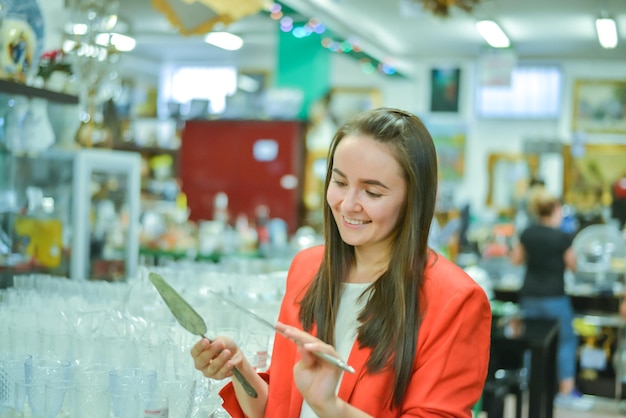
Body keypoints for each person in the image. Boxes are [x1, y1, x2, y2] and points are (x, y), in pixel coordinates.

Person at [191, 108, 492, 417]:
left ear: (412, 199)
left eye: (372, 192)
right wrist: (237, 367)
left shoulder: (456, 301)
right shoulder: (308, 269)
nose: (347, 205)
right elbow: (282, 408)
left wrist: (331, 408)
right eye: (339, 182)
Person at [510, 187, 594, 411]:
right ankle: (565, 391)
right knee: (566, 341)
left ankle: (530, 385)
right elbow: (573, 265)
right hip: (555, 297)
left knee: (531, 343)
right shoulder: (562, 236)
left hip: (530, 297)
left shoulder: (527, 233)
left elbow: (516, 259)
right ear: (556, 208)